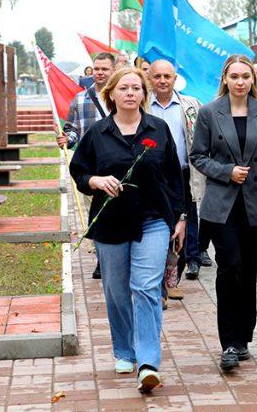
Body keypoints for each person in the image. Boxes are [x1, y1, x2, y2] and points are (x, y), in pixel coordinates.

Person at [69, 67, 186, 393]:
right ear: (112, 94)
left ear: (144, 94)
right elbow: (79, 171)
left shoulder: (158, 129)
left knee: (145, 287)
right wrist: (95, 180)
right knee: (117, 291)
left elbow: (174, 177)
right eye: (124, 88)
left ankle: (148, 363)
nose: (131, 93)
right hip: (111, 222)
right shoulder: (98, 133)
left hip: (153, 220)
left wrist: (181, 217)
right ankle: (124, 350)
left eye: (136, 88)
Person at [190, 55, 257, 373]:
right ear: (225, 79)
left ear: (253, 80)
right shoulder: (209, 112)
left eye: (246, 76)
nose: (240, 82)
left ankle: (244, 334)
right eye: (234, 76)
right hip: (222, 204)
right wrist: (227, 171)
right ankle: (229, 342)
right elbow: (197, 156)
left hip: (255, 203)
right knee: (228, 267)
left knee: (248, 269)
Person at [149, 59, 206, 302]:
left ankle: (173, 278)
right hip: (151, 177)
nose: (162, 81)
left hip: (183, 175)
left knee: (183, 225)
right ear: (149, 79)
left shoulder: (190, 105)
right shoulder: (142, 105)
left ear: (175, 79)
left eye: (167, 76)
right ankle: (157, 284)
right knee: (155, 227)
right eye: (157, 76)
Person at [58, 51, 116, 280]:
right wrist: (67, 139)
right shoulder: (80, 99)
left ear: (113, 70)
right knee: (96, 215)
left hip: (119, 166)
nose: (100, 73)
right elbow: (72, 129)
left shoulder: (121, 96)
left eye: (105, 69)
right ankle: (102, 259)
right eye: (97, 69)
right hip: (92, 169)